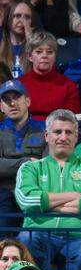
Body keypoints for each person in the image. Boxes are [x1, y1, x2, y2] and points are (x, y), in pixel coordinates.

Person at [15, 110, 81, 270]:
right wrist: (74, 196)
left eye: (69, 132)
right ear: (47, 136)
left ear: (76, 137)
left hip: (78, 234)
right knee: (25, 240)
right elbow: (27, 200)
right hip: (38, 232)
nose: (63, 137)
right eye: (58, 132)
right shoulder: (30, 168)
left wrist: (46, 204)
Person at [0, 79, 45, 215]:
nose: (12, 104)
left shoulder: (46, 130)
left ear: (28, 102)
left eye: (17, 98)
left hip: (36, 191)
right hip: (4, 193)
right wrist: (26, 162)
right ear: (1, 107)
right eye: (7, 100)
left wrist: (9, 165)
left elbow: (47, 167)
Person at [17, 31, 81, 121]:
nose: (44, 55)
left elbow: (71, 120)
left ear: (55, 56)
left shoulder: (68, 85)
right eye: (39, 52)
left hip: (57, 132)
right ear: (30, 57)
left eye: (49, 52)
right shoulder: (18, 85)